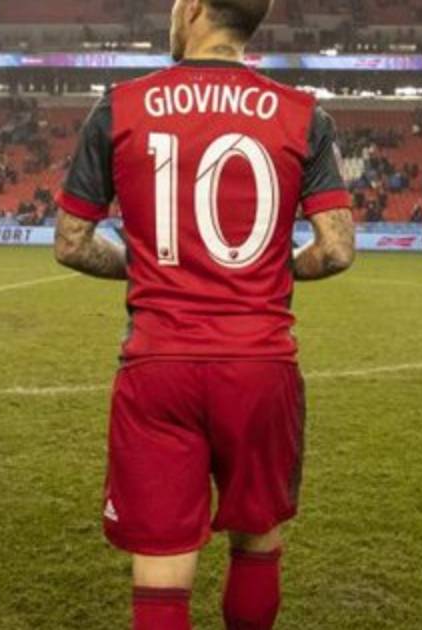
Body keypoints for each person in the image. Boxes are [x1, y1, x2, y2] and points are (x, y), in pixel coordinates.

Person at [52, 1, 356, 628]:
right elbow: (336, 250)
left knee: (162, 562)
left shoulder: (121, 106)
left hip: (158, 366)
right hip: (260, 365)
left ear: (192, 7)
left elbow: (71, 244)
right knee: (257, 541)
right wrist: (272, 270)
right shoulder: (304, 115)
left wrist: (145, 267)